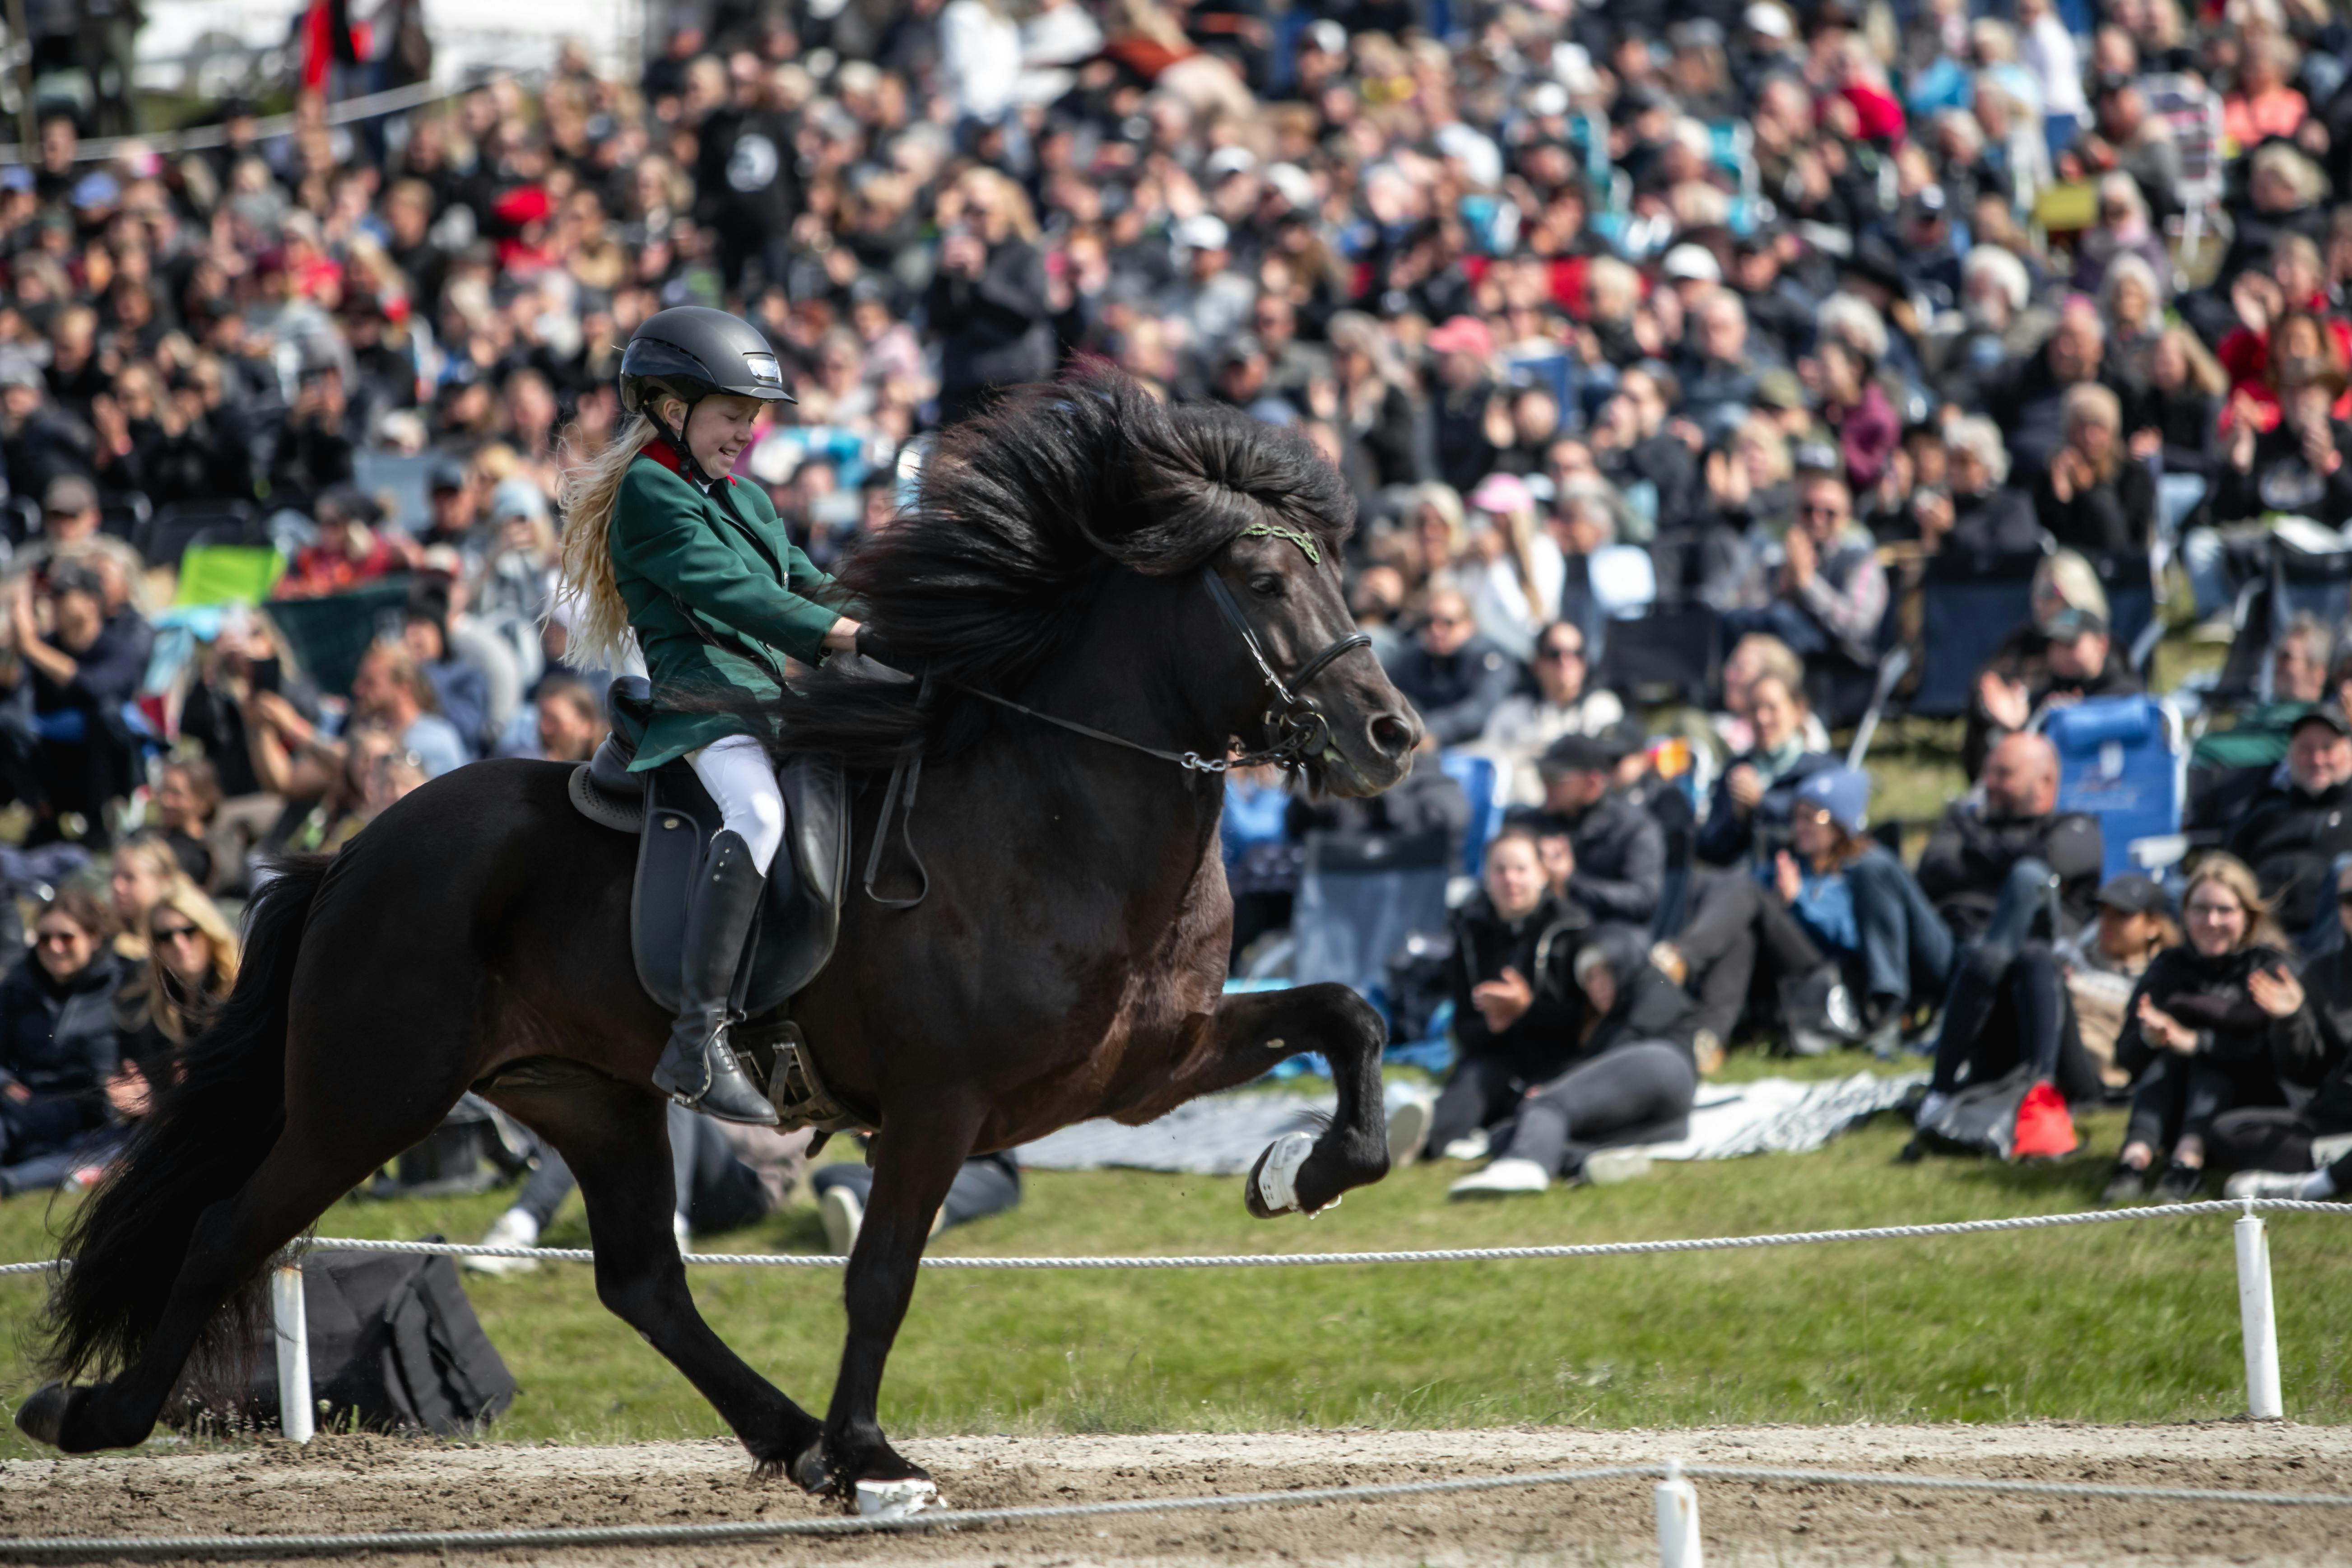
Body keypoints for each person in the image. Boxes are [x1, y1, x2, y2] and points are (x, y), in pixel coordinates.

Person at [553, 307, 858, 1123]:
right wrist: (838, 637)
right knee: (756, 812)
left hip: (768, 703)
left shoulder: (747, 499)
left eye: (753, 419)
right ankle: (698, 1041)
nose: (746, 434)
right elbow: (739, 596)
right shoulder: (649, 492)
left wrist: (900, 620)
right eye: (733, 415)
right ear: (672, 407)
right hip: (702, 705)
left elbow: (804, 578)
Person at [1915, 732, 2106, 1125]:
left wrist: (1977, 851)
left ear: (2045, 783)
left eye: (2005, 774)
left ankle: (1942, 1088)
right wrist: (2004, 852)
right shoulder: (1961, 821)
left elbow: (2051, 860)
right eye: (1989, 771)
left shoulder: (2076, 826)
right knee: (1878, 867)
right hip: (1956, 951)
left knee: (2028, 879)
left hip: (2036, 964)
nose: (1990, 783)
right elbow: (1933, 866)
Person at [2104, 854, 2318, 1203]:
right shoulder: (2170, 965)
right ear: (2185, 913)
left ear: (2248, 915)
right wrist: (2150, 1037)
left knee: (2206, 1061)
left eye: (2225, 910)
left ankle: (2186, 1164)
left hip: (2251, 1113)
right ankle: (2133, 1161)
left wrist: (2197, 1042)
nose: (2212, 920)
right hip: (2176, 1103)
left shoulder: (2269, 966)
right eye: (2200, 909)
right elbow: (2125, 1056)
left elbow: (2284, 1063)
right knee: (2167, 1056)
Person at [1446, 929, 1702, 1197]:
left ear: (1622, 965)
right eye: (1589, 978)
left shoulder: (1653, 983)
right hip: (1658, 1124)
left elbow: (1623, 1048)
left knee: (1547, 1105)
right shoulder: (1602, 1024)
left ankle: (1525, 1164)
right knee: (1507, 1134)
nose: (1598, 985)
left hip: (1664, 1066)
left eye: (1605, 972)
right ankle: (1585, 1161)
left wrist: (1552, 1093)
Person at [1425, 827, 1588, 1163]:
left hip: (1557, 1059)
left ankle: (1524, 1141)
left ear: (1542, 875)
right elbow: (1463, 1027)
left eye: (1521, 869)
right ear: (1486, 877)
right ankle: (1419, 1143)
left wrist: (1526, 1010)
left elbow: (1582, 1022)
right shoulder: (1469, 932)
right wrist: (1495, 1024)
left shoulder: (1571, 929)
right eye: (1500, 870)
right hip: (1493, 1057)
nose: (1510, 880)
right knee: (1471, 1085)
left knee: (1546, 1101)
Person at [1773, 767, 1954, 1047]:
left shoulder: (1865, 870)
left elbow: (1856, 939)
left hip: (1921, 962)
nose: (1800, 827)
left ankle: (1889, 1008)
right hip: (1839, 978)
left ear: (1840, 822)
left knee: (1876, 867)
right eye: (1797, 817)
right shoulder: (1794, 869)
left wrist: (1799, 903)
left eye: (1812, 818)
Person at [2221, 862, 2352, 1202]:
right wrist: (2292, 1019)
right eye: (2348, 899)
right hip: (2335, 1119)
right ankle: (2342, 1163)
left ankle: (2319, 1183)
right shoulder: (2321, 973)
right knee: (2229, 1132)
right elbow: (2306, 1074)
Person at [0, 886, 123, 1195]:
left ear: (93, 938)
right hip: (26, 1098)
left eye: (66, 937)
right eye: (44, 939)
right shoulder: (19, 985)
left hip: (88, 1109)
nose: (54, 948)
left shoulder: (121, 988)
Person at [1718, 469, 1887, 668]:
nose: (1817, 519)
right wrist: (1782, 583)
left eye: (1829, 513)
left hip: (1835, 664)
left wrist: (1807, 584)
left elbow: (1855, 627)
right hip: (1774, 656)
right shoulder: (1778, 555)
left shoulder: (1861, 561)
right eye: (1809, 510)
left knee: (1782, 618)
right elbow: (1743, 606)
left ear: (1845, 517)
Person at [2226, 705, 2352, 950]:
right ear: (2290, 755)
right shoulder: (2264, 813)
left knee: (2344, 870)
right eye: (2306, 749)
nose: (2317, 760)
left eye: (2327, 748)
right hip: (2263, 935)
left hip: (2335, 949)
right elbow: (2226, 868)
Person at [1515, 731, 1665, 931]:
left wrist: (1570, 882)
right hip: (1537, 931)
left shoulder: (1634, 827)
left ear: (1592, 782)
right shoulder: (1528, 824)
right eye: (1542, 774)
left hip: (1604, 933)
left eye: (1556, 777)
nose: (1546, 784)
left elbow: (1642, 900)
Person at [1694, 672, 1837, 870]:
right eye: (1754, 710)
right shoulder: (1736, 770)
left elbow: (1830, 836)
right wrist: (1738, 818)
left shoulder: (1822, 772)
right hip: (1742, 886)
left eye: (1772, 708)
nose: (1762, 718)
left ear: (1798, 710)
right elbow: (1712, 851)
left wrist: (1762, 802)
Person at [1473, 621, 1623, 808]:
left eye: (1576, 654)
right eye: (1554, 654)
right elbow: (1485, 761)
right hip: (1518, 816)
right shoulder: (1511, 712)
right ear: (1537, 663)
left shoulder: (1602, 707)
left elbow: (1606, 770)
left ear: (1585, 662)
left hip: (1579, 816)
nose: (1566, 662)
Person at [2063, 873, 2181, 1089]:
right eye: (2104, 912)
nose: (2108, 922)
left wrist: (2075, 987)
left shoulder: (2167, 973)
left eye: (2121, 915)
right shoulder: (2072, 953)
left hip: (2108, 1079)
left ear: (2153, 926)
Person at [1380, 588, 1520, 747]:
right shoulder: (1414, 656)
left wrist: (1433, 731)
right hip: (1419, 743)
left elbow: (1482, 708)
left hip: (1478, 747)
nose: (1436, 630)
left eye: (1448, 623)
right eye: (1428, 622)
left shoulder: (1489, 658)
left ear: (1469, 625)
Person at [815, 1152, 1024, 1254]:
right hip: (914, 1165)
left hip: (983, 1167)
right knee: (828, 1175)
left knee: (935, 1191)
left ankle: (889, 1226)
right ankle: (872, 1216)